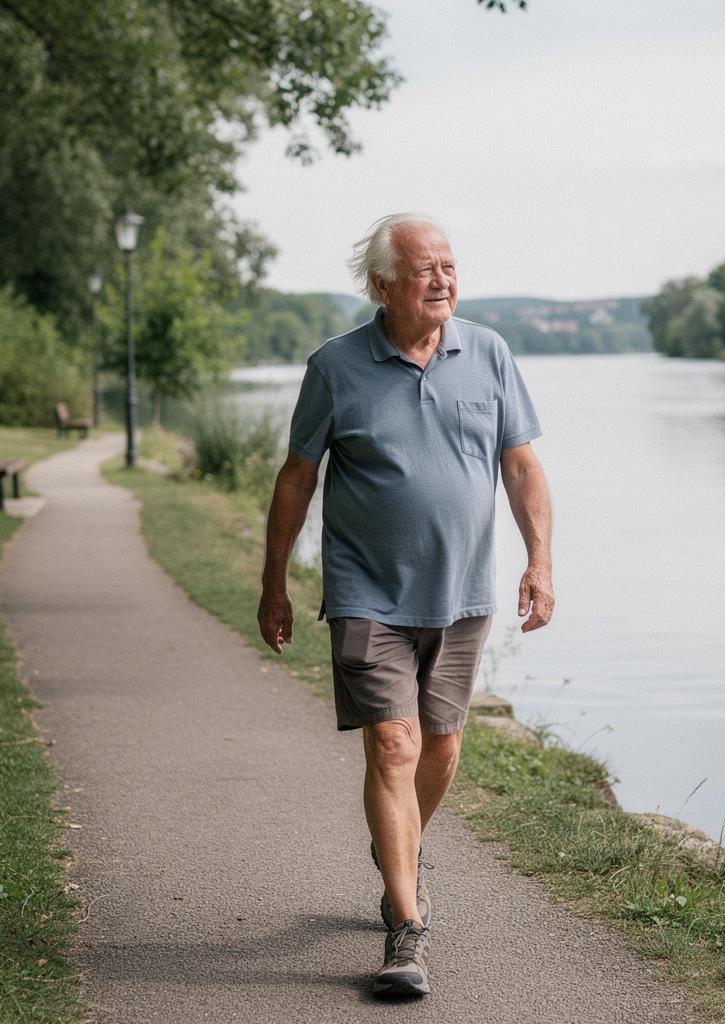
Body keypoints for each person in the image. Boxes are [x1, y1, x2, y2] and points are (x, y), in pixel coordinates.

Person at [257, 213, 554, 997]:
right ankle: (406, 924)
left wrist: (540, 561)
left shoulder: (487, 353)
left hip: (462, 594)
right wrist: (274, 580)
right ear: (382, 285)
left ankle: (399, 852)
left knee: (441, 749)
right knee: (394, 744)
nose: (443, 280)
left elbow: (521, 467)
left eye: (450, 266)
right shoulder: (336, 366)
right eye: (425, 269)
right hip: (366, 593)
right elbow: (297, 476)